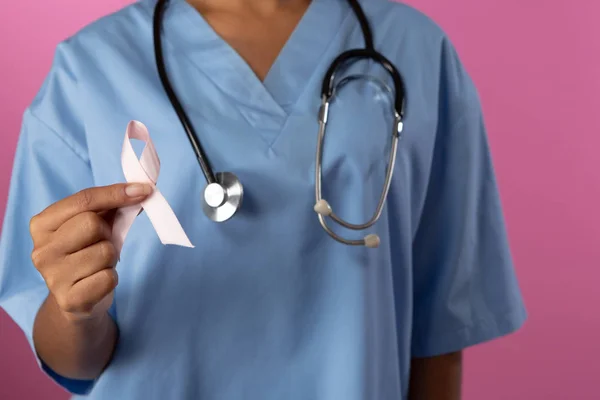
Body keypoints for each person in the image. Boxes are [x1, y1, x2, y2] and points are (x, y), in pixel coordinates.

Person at [0, 0, 527, 399]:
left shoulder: (415, 50)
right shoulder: (91, 67)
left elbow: (438, 333)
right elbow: (71, 361)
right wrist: (77, 314)